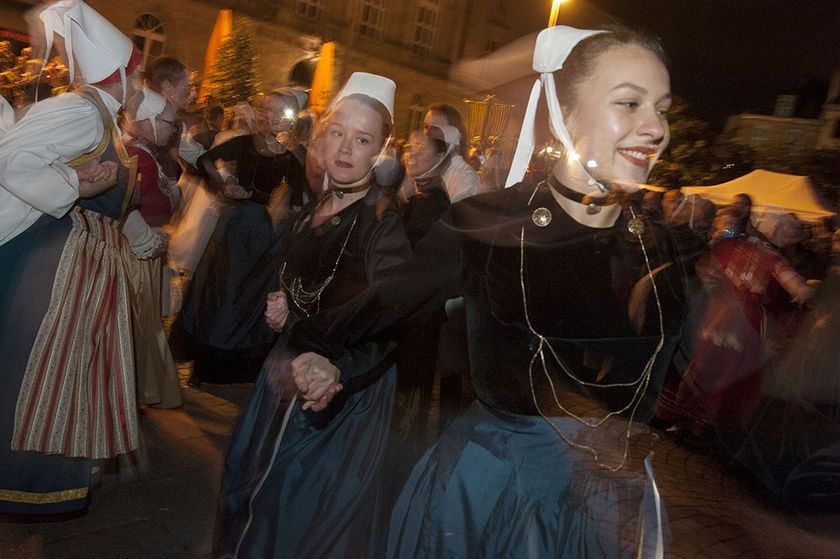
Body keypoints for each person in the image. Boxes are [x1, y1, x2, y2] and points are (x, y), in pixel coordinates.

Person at [388, 25, 686, 557]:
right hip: (493, 498)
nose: (655, 127)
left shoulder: (659, 249)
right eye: (630, 102)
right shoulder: (487, 221)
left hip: (610, 512)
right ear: (565, 116)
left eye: (661, 108)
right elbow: (385, 301)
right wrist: (313, 347)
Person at [215, 72, 412, 558]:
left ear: (380, 152)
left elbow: (392, 319)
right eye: (339, 132)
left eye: (362, 139)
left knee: (299, 511)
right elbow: (316, 280)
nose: (346, 148)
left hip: (335, 394)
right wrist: (289, 302)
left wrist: (338, 368)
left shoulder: (381, 223)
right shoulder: (319, 203)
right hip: (284, 378)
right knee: (251, 488)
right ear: (322, 136)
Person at [0, 0, 143, 515]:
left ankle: (43, 482)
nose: (141, 86)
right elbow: (11, 158)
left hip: (75, 266)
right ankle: (24, 483)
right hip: (52, 267)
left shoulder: (95, 114)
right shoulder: (81, 111)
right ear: (121, 77)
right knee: (32, 373)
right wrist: (71, 182)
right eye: (137, 75)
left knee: (56, 373)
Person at [173, 89, 306, 385]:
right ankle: (205, 365)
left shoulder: (290, 160)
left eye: (274, 111)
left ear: (286, 120)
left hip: (265, 239)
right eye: (263, 109)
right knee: (219, 294)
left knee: (244, 300)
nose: (265, 115)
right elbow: (206, 160)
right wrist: (224, 184)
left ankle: (229, 366)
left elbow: (298, 204)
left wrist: (281, 212)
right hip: (234, 230)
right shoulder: (244, 144)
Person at [663, 207, 811, 439]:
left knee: (706, 365)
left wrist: (720, 288)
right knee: (733, 374)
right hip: (747, 323)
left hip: (720, 316)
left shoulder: (730, 245)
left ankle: (687, 420)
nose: (793, 236)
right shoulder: (773, 258)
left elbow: (706, 270)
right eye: (789, 230)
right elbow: (799, 290)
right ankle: (713, 427)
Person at [122, 87, 183, 408]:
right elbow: (126, 208)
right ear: (149, 121)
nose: (174, 131)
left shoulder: (146, 154)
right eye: (169, 124)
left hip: (149, 251)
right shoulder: (136, 155)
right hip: (138, 256)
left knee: (146, 323)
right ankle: (136, 389)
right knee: (140, 325)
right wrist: (149, 239)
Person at [421, 103, 480, 203]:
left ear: (453, 134)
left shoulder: (464, 176)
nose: (427, 133)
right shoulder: (424, 166)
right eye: (426, 126)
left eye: (435, 127)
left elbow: (452, 215)